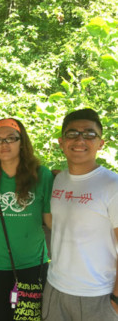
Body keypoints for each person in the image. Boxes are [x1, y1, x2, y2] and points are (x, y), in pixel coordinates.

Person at [42, 109, 118, 321]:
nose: (80, 139)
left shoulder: (113, 186)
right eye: (72, 133)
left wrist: (117, 299)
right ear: (61, 142)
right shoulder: (57, 180)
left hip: (98, 295)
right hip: (55, 288)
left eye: (89, 134)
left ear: (101, 143)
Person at [0, 118, 53, 320]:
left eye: (11, 138)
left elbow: (51, 220)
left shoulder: (42, 175)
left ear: (22, 142)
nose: (4, 144)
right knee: (0, 317)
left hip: (31, 265)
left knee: (28, 319)